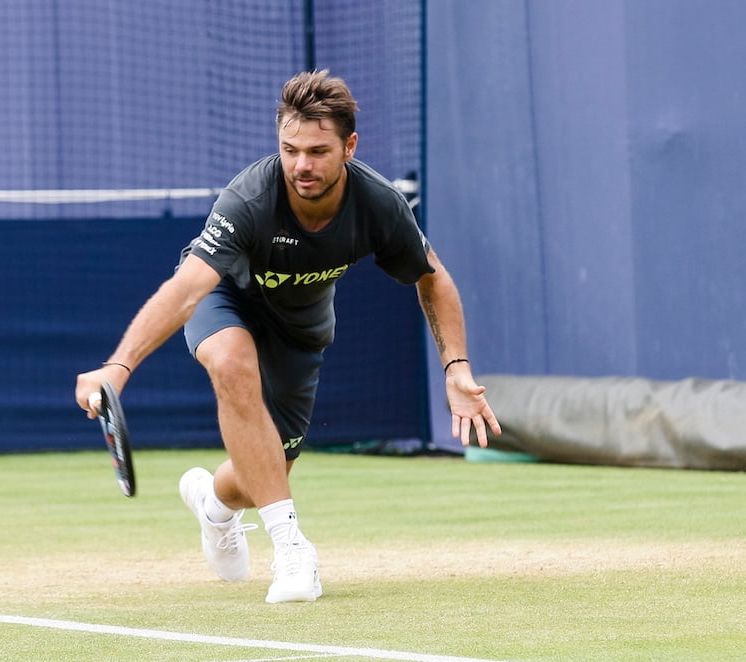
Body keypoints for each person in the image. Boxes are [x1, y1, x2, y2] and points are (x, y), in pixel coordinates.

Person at [75, 70, 501, 604]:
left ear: (349, 146)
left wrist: (456, 367)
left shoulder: (377, 205)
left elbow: (432, 278)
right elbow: (186, 291)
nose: (301, 165)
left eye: (318, 151)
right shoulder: (251, 198)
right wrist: (118, 366)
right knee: (231, 363)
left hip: (301, 334)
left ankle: (213, 505)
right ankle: (293, 548)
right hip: (225, 301)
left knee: (263, 473)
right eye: (290, 149)